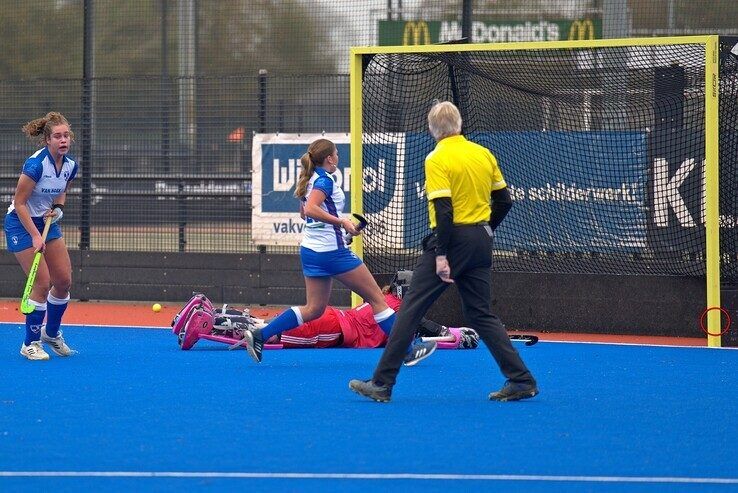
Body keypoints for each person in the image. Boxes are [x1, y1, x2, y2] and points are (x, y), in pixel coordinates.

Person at [349, 101, 539, 403]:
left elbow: (444, 210)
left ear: (431, 129)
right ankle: (521, 379)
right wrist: (487, 229)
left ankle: (382, 384)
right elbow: (504, 201)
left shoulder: (436, 158)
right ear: (459, 124)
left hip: (450, 241)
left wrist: (440, 255)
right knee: (481, 313)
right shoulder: (482, 153)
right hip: (480, 240)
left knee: (410, 310)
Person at [236, 138, 437, 365]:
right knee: (377, 300)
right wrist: (342, 223)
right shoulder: (324, 180)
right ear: (329, 158)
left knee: (314, 309)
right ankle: (408, 352)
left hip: (312, 251)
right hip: (332, 254)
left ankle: (260, 335)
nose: (338, 157)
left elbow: (305, 214)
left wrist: (344, 231)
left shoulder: (309, 179)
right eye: (337, 154)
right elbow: (311, 209)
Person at [4, 112, 77, 360]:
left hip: (46, 221)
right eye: (57, 136)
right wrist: (36, 236)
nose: (63, 140)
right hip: (21, 223)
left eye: (66, 135)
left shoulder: (70, 166)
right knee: (42, 283)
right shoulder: (36, 165)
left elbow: (60, 193)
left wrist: (58, 209)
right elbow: (20, 202)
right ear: (47, 140)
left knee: (64, 281)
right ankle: (30, 343)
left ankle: (51, 333)